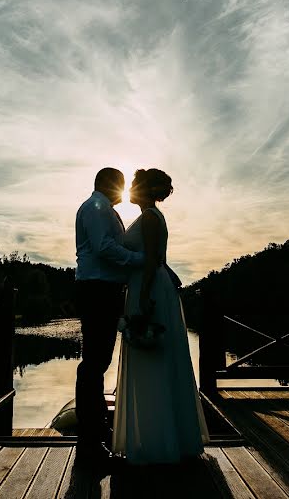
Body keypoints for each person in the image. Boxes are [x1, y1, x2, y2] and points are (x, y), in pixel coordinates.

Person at [113, 168, 209, 464]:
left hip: (149, 287)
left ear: (145, 189)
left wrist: (143, 298)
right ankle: (160, 436)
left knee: (153, 358)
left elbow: (154, 259)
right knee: (153, 359)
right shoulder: (149, 216)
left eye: (133, 185)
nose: (129, 189)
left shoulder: (152, 217)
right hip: (147, 283)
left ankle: (158, 441)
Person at [74, 167, 145, 463]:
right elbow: (104, 247)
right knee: (94, 361)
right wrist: (139, 261)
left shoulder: (100, 207)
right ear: (109, 184)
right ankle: (90, 441)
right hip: (97, 289)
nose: (125, 191)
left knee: (97, 359)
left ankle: (96, 430)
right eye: (122, 185)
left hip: (103, 288)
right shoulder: (96, 207)